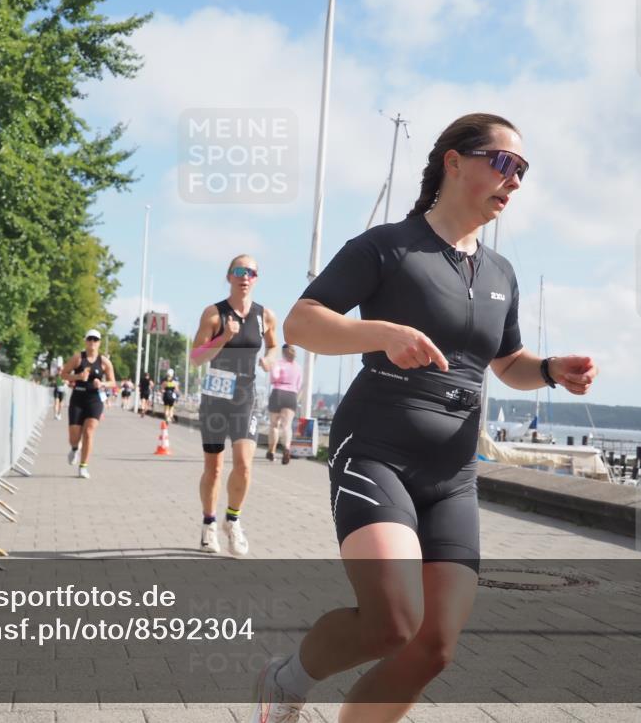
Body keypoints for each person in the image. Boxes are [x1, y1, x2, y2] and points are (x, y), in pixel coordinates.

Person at [251, 114, 599, 722]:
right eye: (502, 162)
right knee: (393, 622)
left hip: (453, 473)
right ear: (454, 162)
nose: (513, 179)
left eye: (522, 169)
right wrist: (381, 332)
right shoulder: (387, 247)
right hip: (376, 449)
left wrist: (548, 369)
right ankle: (287, 681)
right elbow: (304, 322)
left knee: (433, 646)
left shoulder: (500, 274)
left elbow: (506, 361)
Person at [190, 254, 278, 556]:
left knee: (243, 464)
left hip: (245, 394)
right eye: (239, 271)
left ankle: (233, 520)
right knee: (213, 468)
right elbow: (196, 357)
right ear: (229, 276)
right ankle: (208, 524)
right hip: (216, 393)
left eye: (251, 272)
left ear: (256, 278)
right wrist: (224, 337)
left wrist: (269, 359)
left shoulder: (264, 315)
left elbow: (275, 344)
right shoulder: (213, 314)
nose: (245, 276)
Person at [60, 329, 115, 479]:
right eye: (90, 339)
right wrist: (78, 376)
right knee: (74, 435)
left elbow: (113, 382)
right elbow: (63, 374)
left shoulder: (104, 361)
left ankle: (83, 466)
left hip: (94, 399)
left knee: (89, 432)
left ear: (99, 343)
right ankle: (74, 448)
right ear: (85, 341)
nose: (92, 342)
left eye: (95, 340)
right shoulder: (78, 358)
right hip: (78, 397)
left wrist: (102, 383)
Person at [266, 344, 303, 465]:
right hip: (291, 395)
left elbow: (273, 378)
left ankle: (271, 450)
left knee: (274, 425)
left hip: (278, 393)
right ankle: (287, 449)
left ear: (282, 352)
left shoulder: (278, 363)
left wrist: (272, 368)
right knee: (286, 426)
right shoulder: (298, 367)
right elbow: (299, 385)